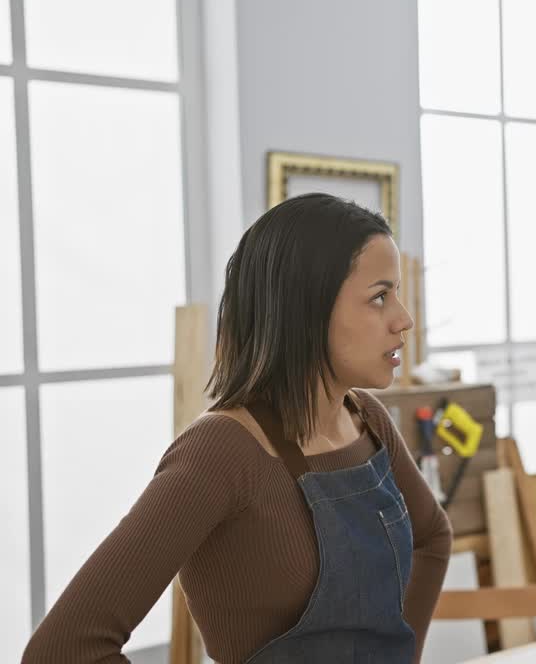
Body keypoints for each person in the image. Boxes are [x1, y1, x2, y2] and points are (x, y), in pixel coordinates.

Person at [24, 194, 452, 663]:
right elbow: (62, 650)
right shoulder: (220, 452)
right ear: (305, 307)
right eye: (379, 297)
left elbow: (432, 536)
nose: (403, 318)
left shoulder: (368, 421)